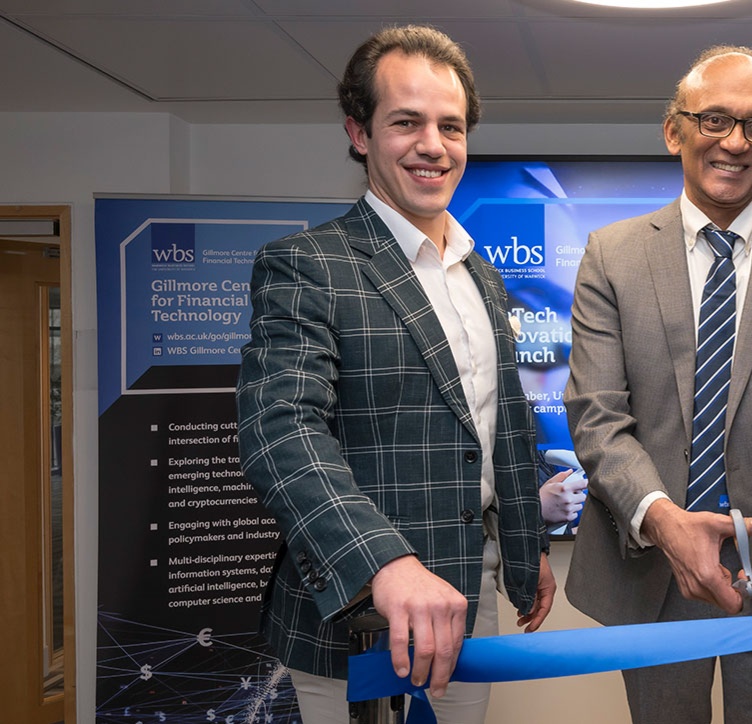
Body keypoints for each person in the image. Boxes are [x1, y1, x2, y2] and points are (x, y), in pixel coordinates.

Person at [236, 25, 568, 724]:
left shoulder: (481, 272)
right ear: (359, 132)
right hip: (353, 610)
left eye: (451, 126)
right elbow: (280, 431)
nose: (433, 145)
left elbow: (500, 422)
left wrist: (525, 545)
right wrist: (384, 564)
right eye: (406, 122)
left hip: (469, 598)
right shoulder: (309, 264)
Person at [563, 46, 752, 724]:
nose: (736, 142)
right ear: (675, 131)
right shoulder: (612, 255)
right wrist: (666, 524)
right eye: (715, 119)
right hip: (652, 569)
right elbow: (596, 414)